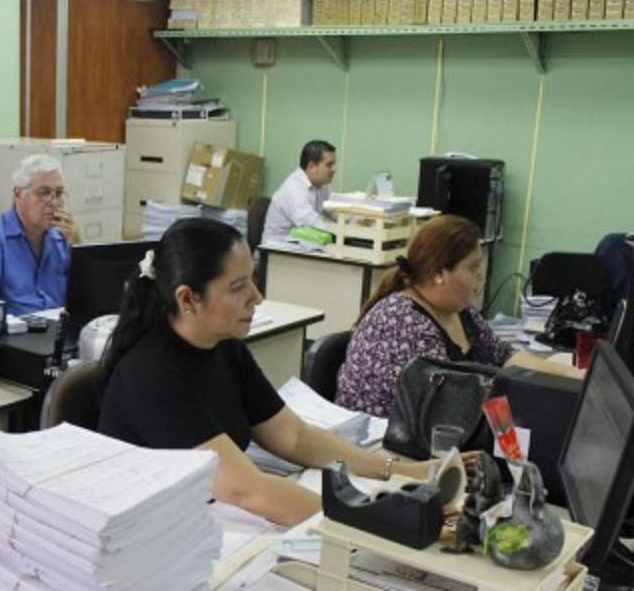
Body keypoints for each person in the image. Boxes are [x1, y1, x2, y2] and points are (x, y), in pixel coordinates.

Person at [97, 217, 431, 526]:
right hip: (158, 533)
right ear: (188, 299)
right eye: (237, 287)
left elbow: (295, 438)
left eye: (252, 279)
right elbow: (248, 491)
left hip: (206, 516)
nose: (257, 297)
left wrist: (402, 471)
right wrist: (377, 526)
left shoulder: (224, 346)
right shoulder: (151, 374)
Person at [336, 214, 584, 418]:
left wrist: (571, 375)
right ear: (439, 273)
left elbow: (503, 356)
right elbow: (449, 406)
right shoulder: (405, 322)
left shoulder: (459, 310)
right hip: (387, 444)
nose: (480, 276)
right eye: (473, 268)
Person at [0, 154, 81, 316]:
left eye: (59, 193)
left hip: (60, 327)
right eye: (44, 193)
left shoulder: (63, 237)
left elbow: (88, 299)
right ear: (18, 194)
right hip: (15, 330)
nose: (54, 202)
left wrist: (78, 248)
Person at [263, 140, 337, 241]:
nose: (334, 169)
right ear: (312, 167)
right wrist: (343, 230)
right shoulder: (294, 188)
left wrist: (352, 221)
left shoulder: (322, 184)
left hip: (302, 242)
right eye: (329, 165)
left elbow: (334, 211)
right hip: (278, 246)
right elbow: (311, 222)